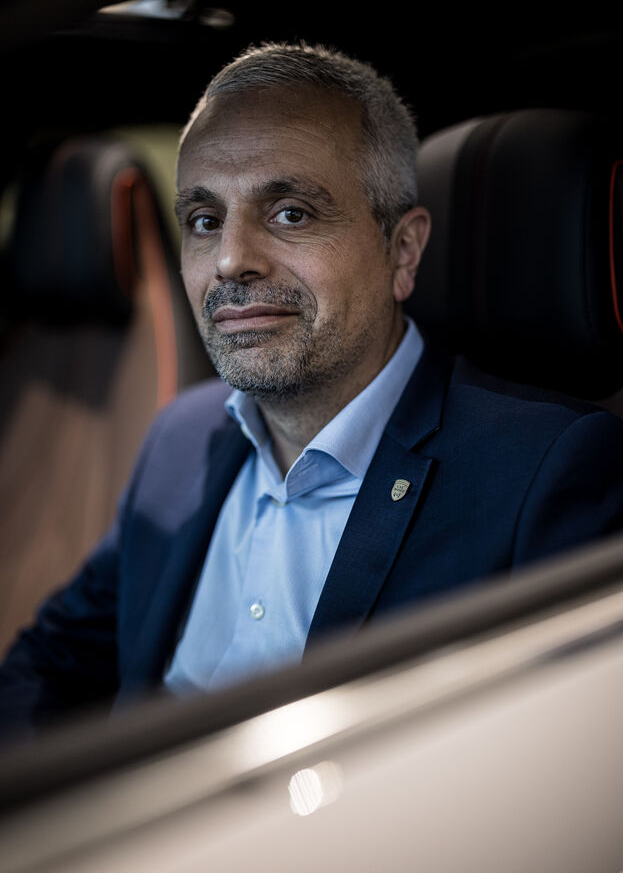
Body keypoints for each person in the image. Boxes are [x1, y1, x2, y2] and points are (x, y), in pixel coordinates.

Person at [2, 42, 623, 732]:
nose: (230, 260)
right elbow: (50, 663)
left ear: (402, 251)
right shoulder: (178, 437)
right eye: (204, 221)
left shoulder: (547, 473)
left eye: (290, 212)